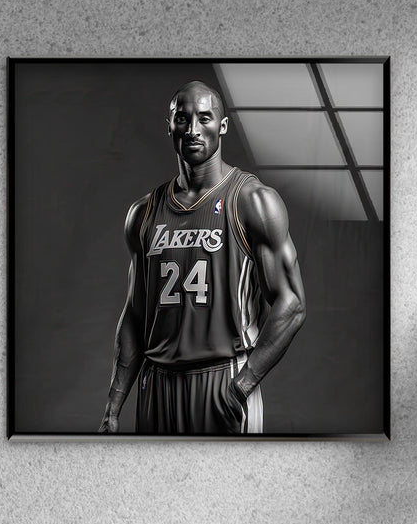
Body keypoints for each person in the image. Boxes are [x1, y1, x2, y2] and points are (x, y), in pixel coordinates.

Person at [99, 80, 306, 435]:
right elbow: (135, 316)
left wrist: (242, 385)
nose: (193, 129)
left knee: (228, 489)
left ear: (222, 126)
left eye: (205, 118)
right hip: (157, 384)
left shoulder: (253, 201)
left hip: (222, 380)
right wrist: (113, 404)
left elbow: (292, 304)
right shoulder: (144, 213)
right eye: (182, 118)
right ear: (170, 126)